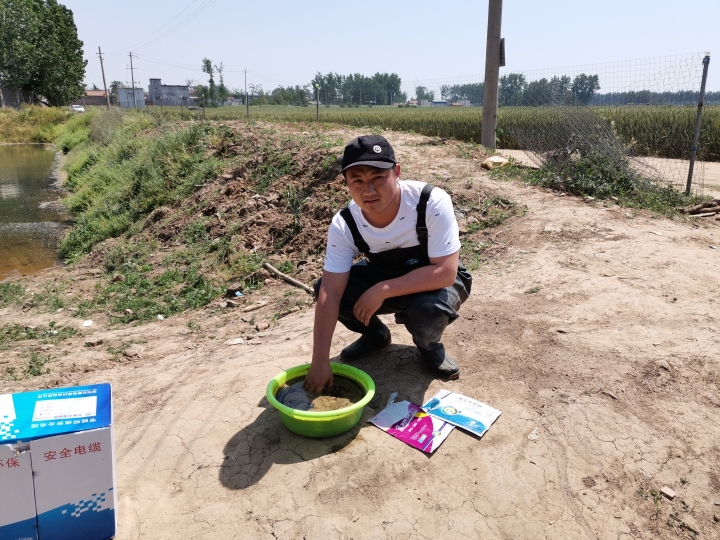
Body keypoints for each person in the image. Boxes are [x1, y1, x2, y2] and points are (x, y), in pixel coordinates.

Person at [303, 135, 472, 394]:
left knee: (428, 310)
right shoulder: (345, 222)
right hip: (385, 273)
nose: (369, 191)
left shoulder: (430, 202)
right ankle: (375, 335)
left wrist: (383, 290)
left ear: (397, 172)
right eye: (357, 181)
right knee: (326, 289)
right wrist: (319, 361)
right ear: (346, 183)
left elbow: (445, 273)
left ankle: (429, 346)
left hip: (436, 281)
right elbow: (331, 290)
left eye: (378, 178)